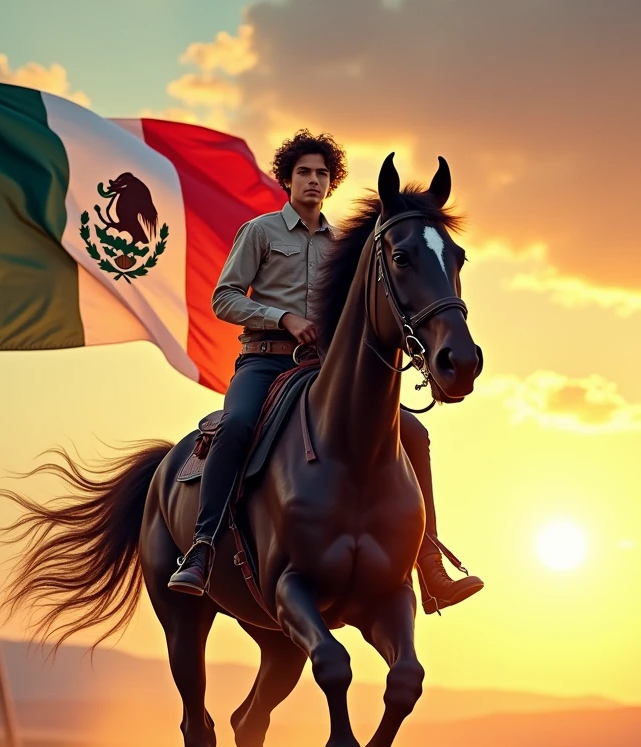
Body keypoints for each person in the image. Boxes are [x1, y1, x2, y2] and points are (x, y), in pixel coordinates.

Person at [168, 130, 483, 614]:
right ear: (287, 180)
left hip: (326, 368)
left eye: (321, 174)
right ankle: (203, 548)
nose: (313, 181)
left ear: (330, 183)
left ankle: (430, 566)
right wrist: (283, 318)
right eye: (304, 174)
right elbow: (223, 298)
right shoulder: (260, 232)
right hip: (266, 360)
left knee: (413, 433)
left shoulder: (347, 244)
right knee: (234, 426)